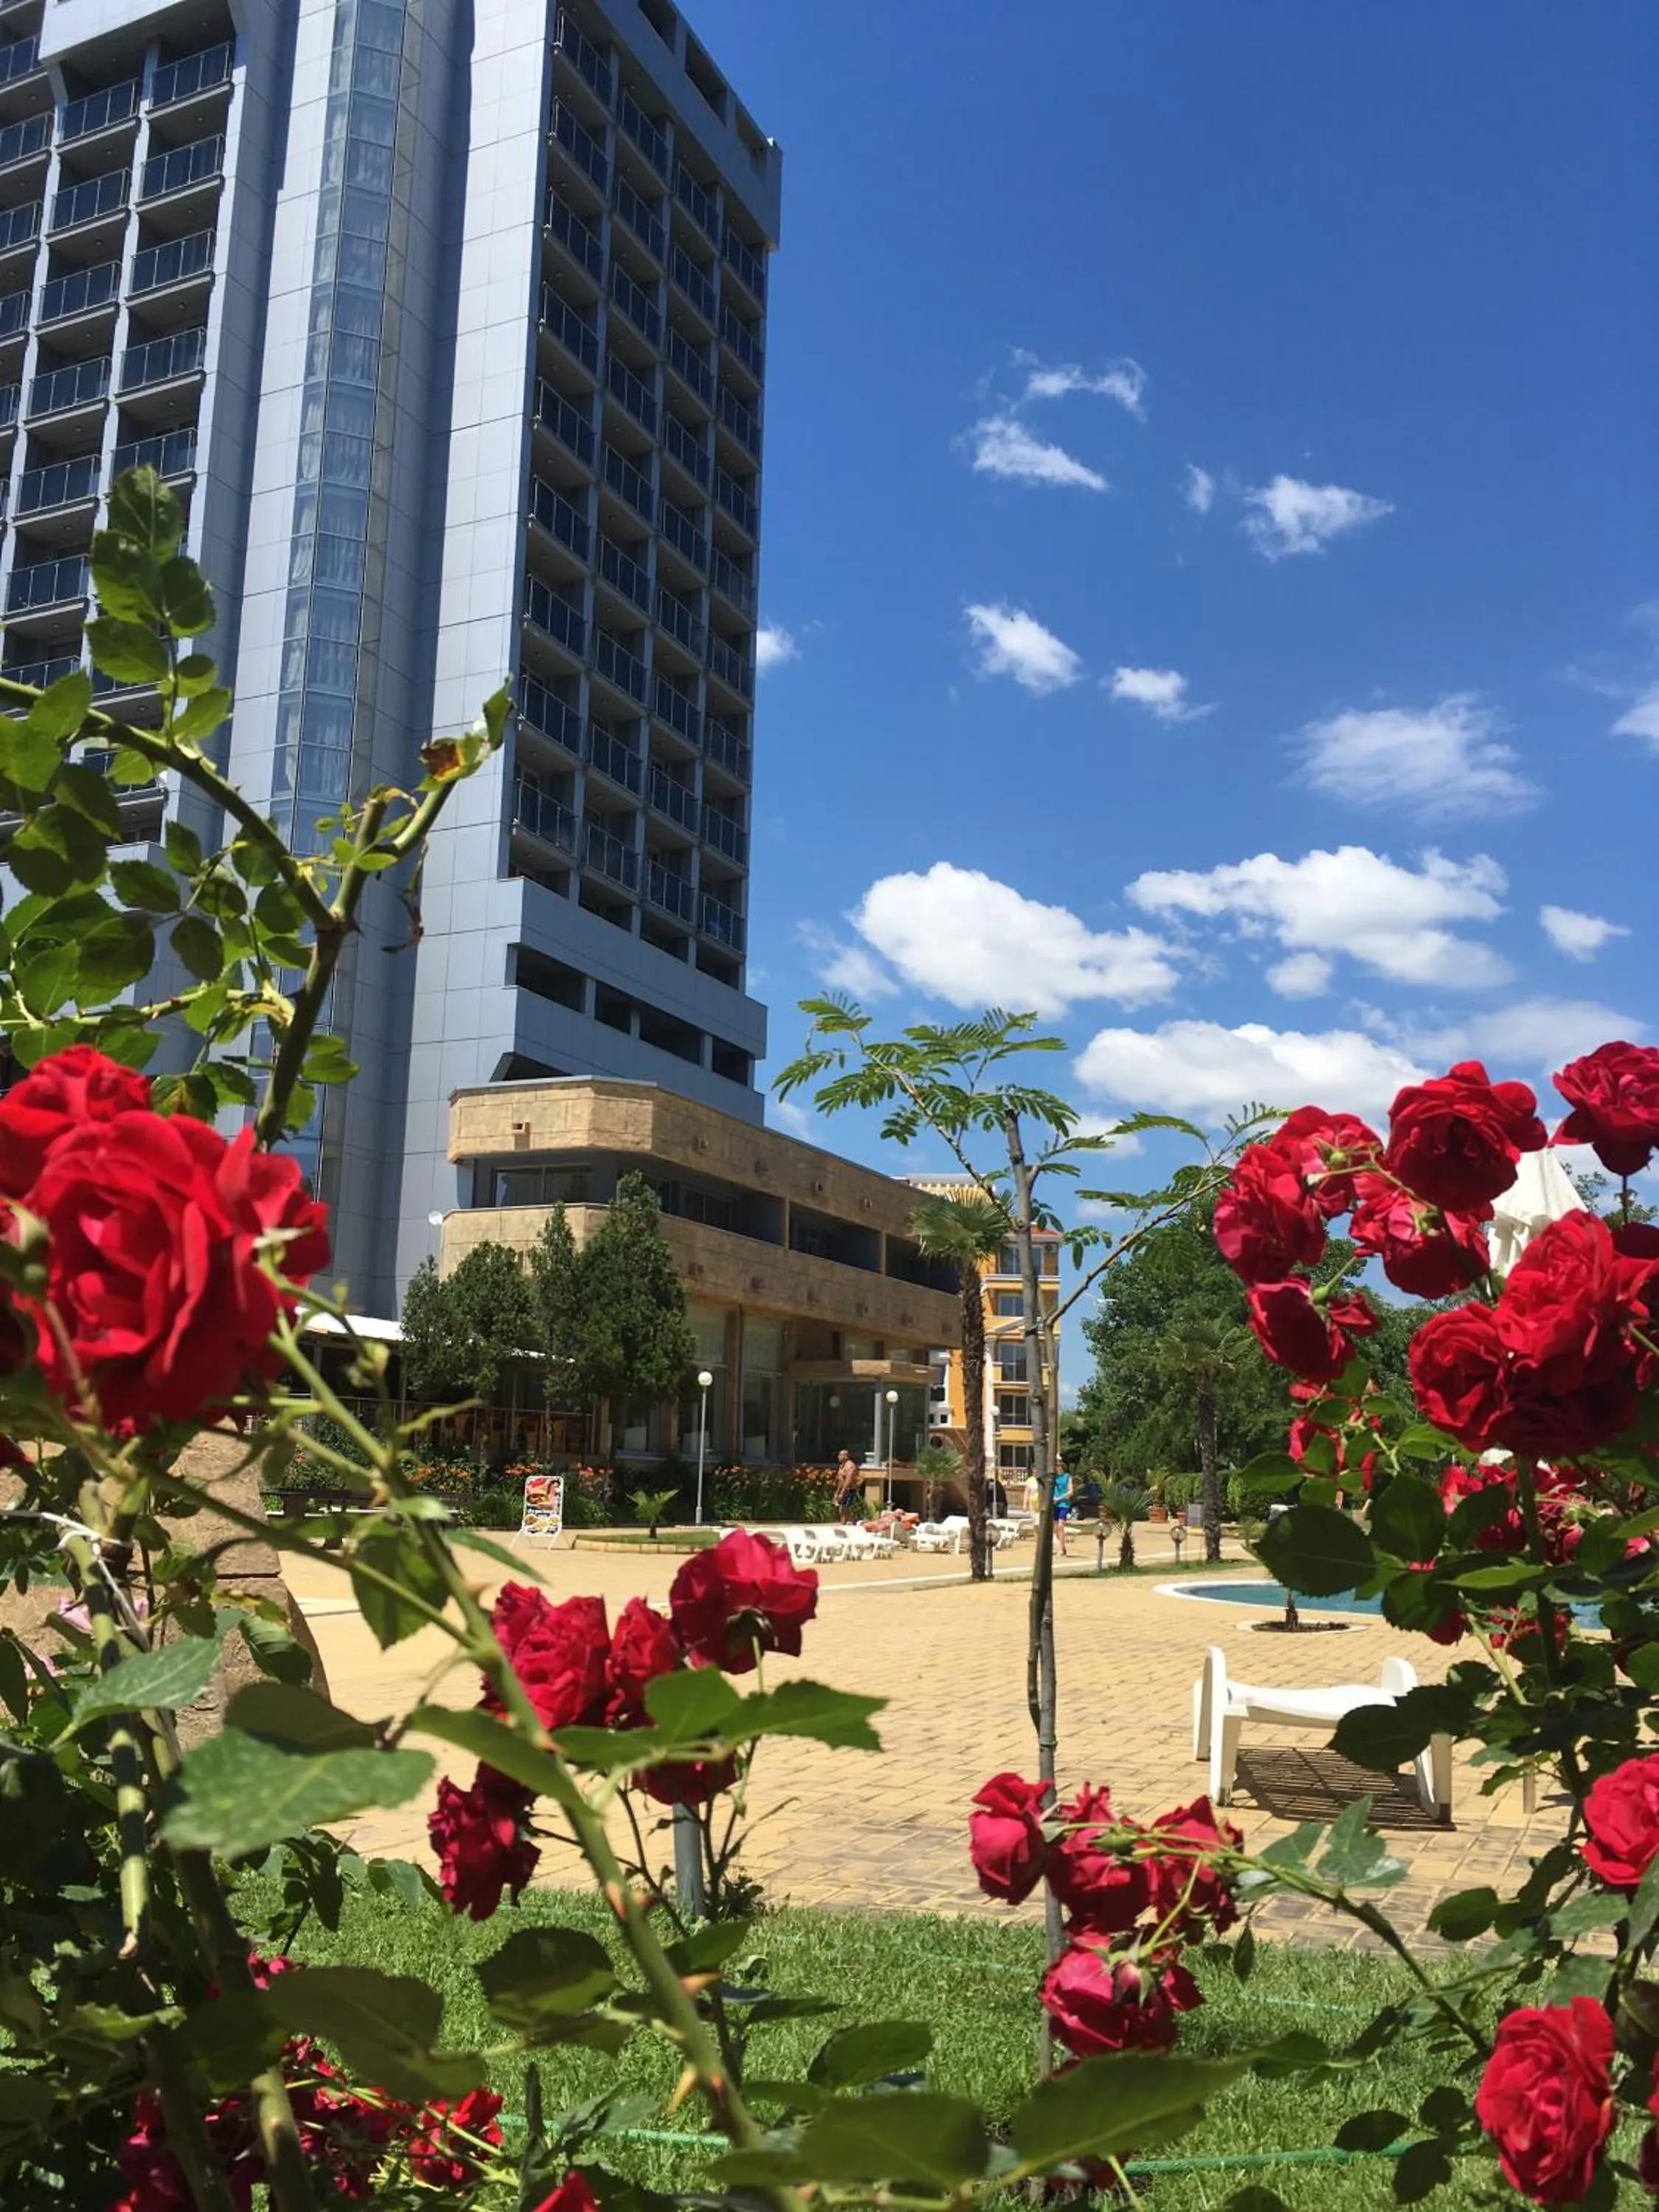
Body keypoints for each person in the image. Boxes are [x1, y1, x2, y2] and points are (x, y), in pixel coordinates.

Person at [833, 1447, 861, 1522]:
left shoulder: (850, 1466)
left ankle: (854, 1522)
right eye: (839, 1455)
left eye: (840, 1455)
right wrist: (837, 1493)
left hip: (849, 1490)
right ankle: (843, 1523)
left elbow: (849, 1480)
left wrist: (842, 1492)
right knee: (841, 1510)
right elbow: (840, 1480)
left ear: (846, 1456)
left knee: (845, 1509)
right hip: (843, 1490)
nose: (838, 1457)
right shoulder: (842, 1466)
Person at [1053, 1461, 1073, 1556]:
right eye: (1056, 1465)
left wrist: (1059, 1498)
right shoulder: (1053, 1478)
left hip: (1064, 1504)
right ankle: (1063, 1547)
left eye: (1058, 1465)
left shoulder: (1067, 1476)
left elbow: (1071, 1492)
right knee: (1056, 1528)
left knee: (1061, 1525)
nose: (1057, 1467)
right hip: (1055, 1505)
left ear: (1061, 1466)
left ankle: (1061, 1549)